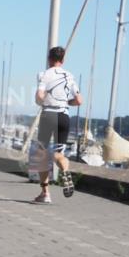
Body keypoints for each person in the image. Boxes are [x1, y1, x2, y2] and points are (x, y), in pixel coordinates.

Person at [33, 46, 82, 204]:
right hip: (64, 116)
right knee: (59, 153)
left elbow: (40, 95)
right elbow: (79, 100)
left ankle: (45, 193)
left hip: (49, 115)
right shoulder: (70, 76)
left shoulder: (45, 74)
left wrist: (41, 100)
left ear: (49, 58)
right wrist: (66, 102)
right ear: (63, 59)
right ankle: (66, 171)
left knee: (42, 154)